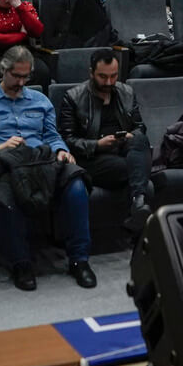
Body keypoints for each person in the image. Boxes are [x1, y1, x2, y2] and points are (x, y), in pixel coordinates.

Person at [0, 47, 96, 292]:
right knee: (7, 199)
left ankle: (79, 259)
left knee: (76, 186)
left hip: (42, 162)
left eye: (26, 77)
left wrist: (61, 149)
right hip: (6, 165)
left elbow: (52, 135)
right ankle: (20, 263)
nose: (21, 82)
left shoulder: (40, 100)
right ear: (3, 70)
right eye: (16, 76)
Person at [57, 50, 153, 231]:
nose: (109, 82)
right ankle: (138, 206)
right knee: (135, 169)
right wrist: (97, 145)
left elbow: (140, 127)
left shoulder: (126, 92)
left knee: (140, 139)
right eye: (102, 76)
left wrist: (130, 136)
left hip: (122, 149)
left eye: (113, 76)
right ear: (91, 72)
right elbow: (65, 140)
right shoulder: (73, 97)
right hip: (92, 158)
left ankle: (138, 202)